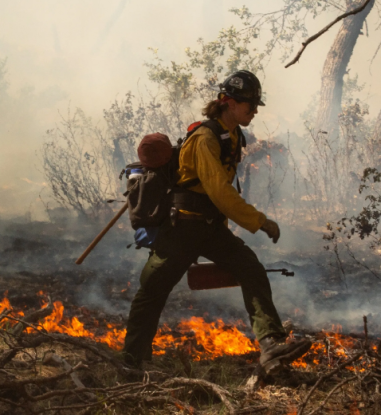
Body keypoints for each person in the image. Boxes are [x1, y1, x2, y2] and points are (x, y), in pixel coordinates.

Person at [119, 70, 312, 372]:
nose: (255, 111)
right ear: (230, 103)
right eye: (251, 105)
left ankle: (273, 346)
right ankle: (132, 363)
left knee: (250, 268)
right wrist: (258, 221)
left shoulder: (232, 135)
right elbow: (219, 190)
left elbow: (219, 195)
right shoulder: (205, 137)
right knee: (152, 291)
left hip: (208, 228)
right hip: (182, 227)